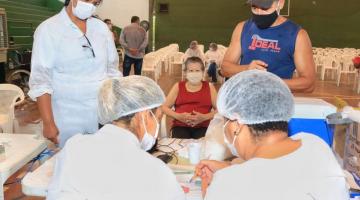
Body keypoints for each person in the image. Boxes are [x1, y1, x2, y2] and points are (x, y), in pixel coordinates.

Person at [194, 70, 348, 200]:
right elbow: (281, 169)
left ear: (236, 125)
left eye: (224, 121)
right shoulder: (315, 144)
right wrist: (229, 166)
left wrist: (211, 191)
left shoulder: (229, 185)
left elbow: (262, 173)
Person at [47, 76, 186, 200]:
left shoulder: (73, 147)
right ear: (143, 116)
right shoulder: (157, 171)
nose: (156, 127)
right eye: (158, 117)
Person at [28, 0, 121, 147]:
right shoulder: (49, 29)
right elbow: (41, 80)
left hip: (102, 114)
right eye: (87, 0)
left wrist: (116, 110)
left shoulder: (101, 29)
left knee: (101, 160)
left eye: (95, 3)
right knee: (71, 163)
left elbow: (113, 71)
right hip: (67, 118)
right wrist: (48, 123)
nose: (90, 5)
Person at [221, 0, 316, 92]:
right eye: (254, 7)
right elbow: (225, 68)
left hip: (277, 102)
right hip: (243, 98)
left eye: (265, 8)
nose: (258, 13)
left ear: (281, 3)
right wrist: (247, 69)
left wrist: (271, 83)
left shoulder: (298, 35)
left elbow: (309, 83)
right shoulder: (242, 28)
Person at [162, 57, 217, 139]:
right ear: (185, 72)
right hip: (180, 126)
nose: (194, 73)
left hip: (203, 127)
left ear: (202, 72)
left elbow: (220, 110)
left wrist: (204, 117)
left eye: (197, 71)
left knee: (202, 147)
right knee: (180, 147)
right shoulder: (178, 86)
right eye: (191, 71)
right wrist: (178, 116)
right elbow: (164, 107)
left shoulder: (209, 87)